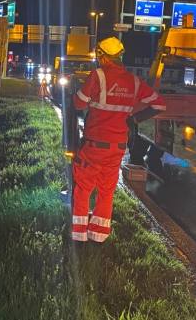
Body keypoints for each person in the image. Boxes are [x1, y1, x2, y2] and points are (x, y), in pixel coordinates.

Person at [71, 36, 165, 244]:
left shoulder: (98, 76)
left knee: (84, 187)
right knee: (106, 191)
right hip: (117, 148)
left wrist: (77, 90)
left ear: (103, 57)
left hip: (94, 145)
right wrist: (133, 119)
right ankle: (98, 236)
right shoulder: (134, 81)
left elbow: (78, 104)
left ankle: (78, 236)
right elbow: (159, 104)